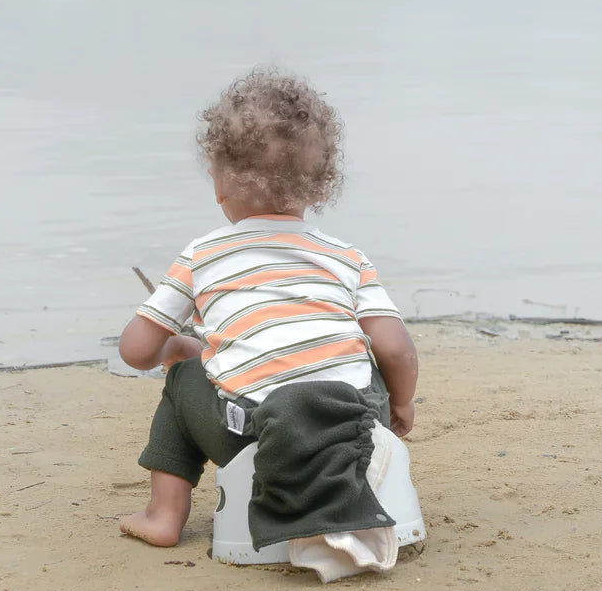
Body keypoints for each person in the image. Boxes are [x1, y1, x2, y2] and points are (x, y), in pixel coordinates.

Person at [117, 67, 418, 548]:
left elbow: (134, 351)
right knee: (365, 354)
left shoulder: (202, 255)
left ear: (219, 185)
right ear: (320, 186)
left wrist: (174, 349)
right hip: (352, 428)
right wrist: (400, 403)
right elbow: (396, 348)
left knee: (182, 380)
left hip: (248, 435)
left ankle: (164, 513)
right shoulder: (346, 257)